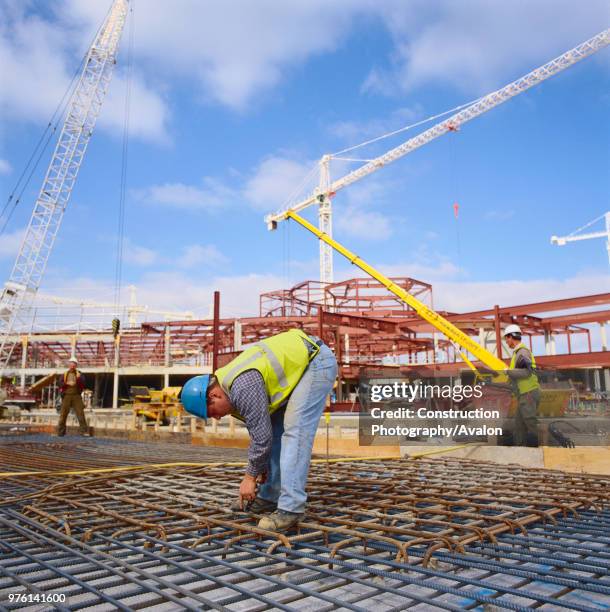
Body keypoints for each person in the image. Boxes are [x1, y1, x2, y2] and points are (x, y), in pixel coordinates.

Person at [181, 328, 337, 532]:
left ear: (214, 396)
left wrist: (249, 478)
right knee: (277, 431)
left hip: (315, 362)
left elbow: (261, 440)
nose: (217, 418)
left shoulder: (241, 387)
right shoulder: (230, 387)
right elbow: (263, 433)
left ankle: (291, 508)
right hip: (302, 368)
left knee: (295, 431)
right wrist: (261, 465)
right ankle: (270, 496)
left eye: (212, 413)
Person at [503, 324, 540, 447]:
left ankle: (541, 448)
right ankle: (520, 449)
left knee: (530, 422)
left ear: (511, 337)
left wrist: (508, 371)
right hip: (524, 393)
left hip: (528, 392)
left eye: (506, 338)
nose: (506, 341)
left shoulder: (522, 352)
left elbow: (526, 372)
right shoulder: (517, 353)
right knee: (519, 425)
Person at [57, 358, 90, 437]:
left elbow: (83, 383)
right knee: (63, 414)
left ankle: (84, 431)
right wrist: (66, 383)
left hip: (76, 396)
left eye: (74, 363)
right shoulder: (64, 374)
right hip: (66, 395)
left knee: (80, 413)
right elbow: (59, 383)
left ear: (76, 365)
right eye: (71, 363)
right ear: (69, 364)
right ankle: (61, 432)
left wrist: (78, 380)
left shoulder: (79, 374)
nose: (72, 365)